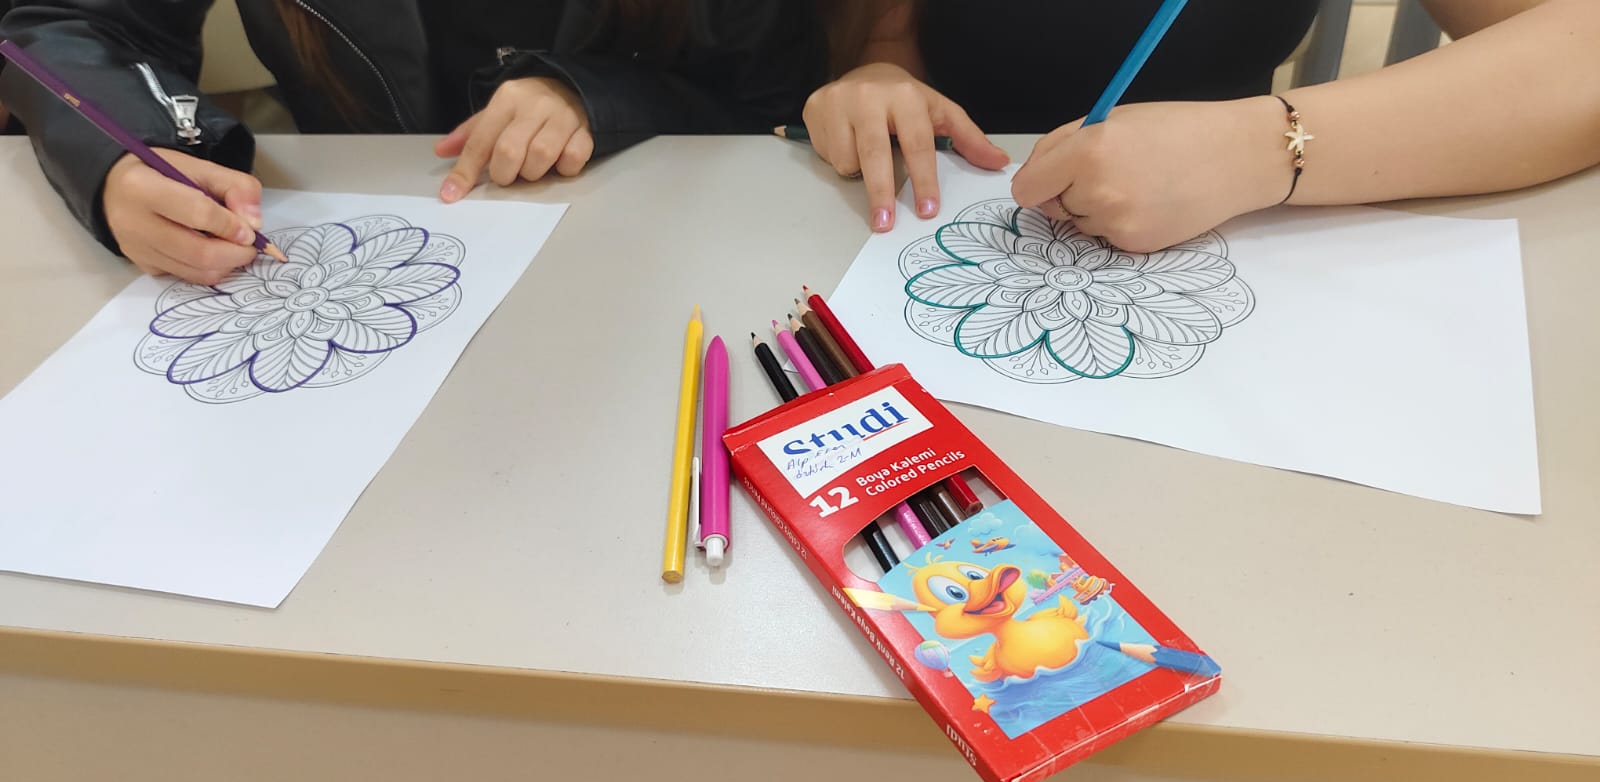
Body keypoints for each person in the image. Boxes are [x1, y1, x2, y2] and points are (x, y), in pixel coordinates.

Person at [0, 0, 825, 283]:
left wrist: (597, 92)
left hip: (648, 271)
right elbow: (76, 22)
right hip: (353, 241)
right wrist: (122, 155)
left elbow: (770, 106)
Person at [805, 0, 1600, 252]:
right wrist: (878, 82)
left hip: (1260, 243)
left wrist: (1261, 149)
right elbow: (887, 43)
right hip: (963, 218)